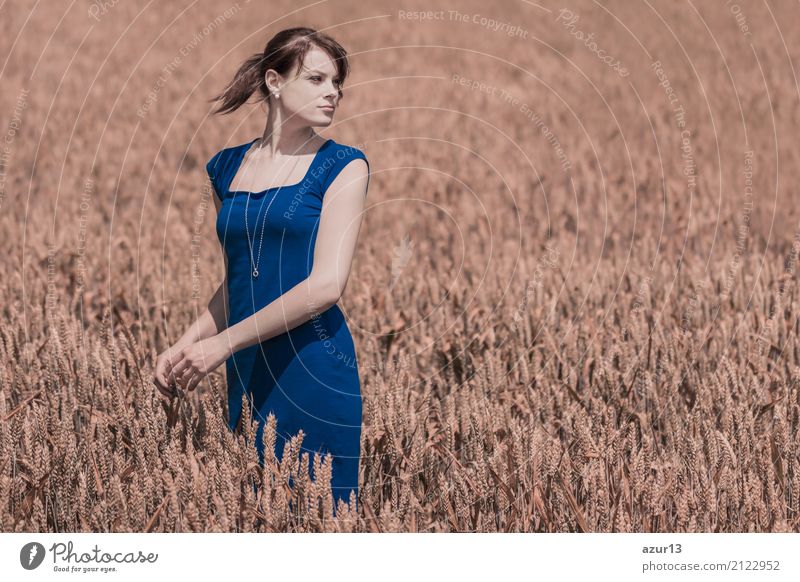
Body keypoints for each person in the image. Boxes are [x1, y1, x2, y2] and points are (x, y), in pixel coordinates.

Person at [152, 27, 370, 516]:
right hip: (249, 371)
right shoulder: (225, 169)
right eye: (316, 79)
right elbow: (238, 280)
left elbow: (325, 286)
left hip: (313, 364)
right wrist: (188, 343)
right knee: (255, 517)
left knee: (323, 523)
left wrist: (222, 344)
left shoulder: (344, 167)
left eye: (336, 82)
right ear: (274, 81)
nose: (332, 91)